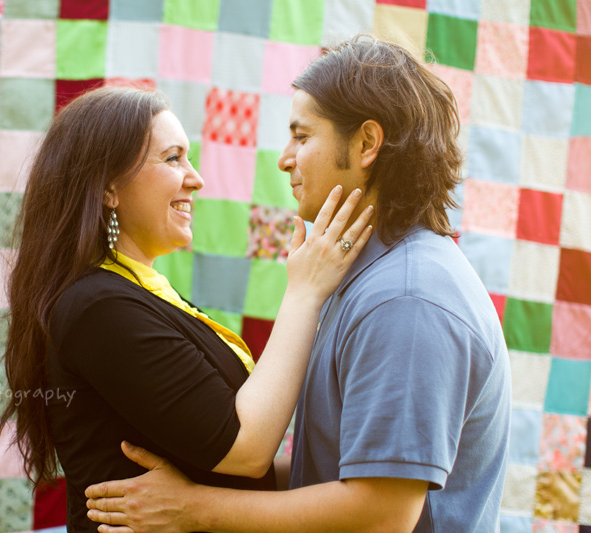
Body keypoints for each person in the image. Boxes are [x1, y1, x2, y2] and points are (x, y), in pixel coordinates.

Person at [85, 35, 512, 532]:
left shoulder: (405, 299)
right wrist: (192, 484)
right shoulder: (362, 278)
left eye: (302, 136)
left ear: (367, 143)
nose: (285, 157)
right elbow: (328, 475)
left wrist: (192, 509)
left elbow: (381, 514)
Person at [0, 86, 374, 532]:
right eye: (173, 158)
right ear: (109, 188)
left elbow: (231, 475)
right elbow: (247, 451)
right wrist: (304, 291)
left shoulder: (142, 295)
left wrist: (370, 481)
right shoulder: (97, 308)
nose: (195, 179)